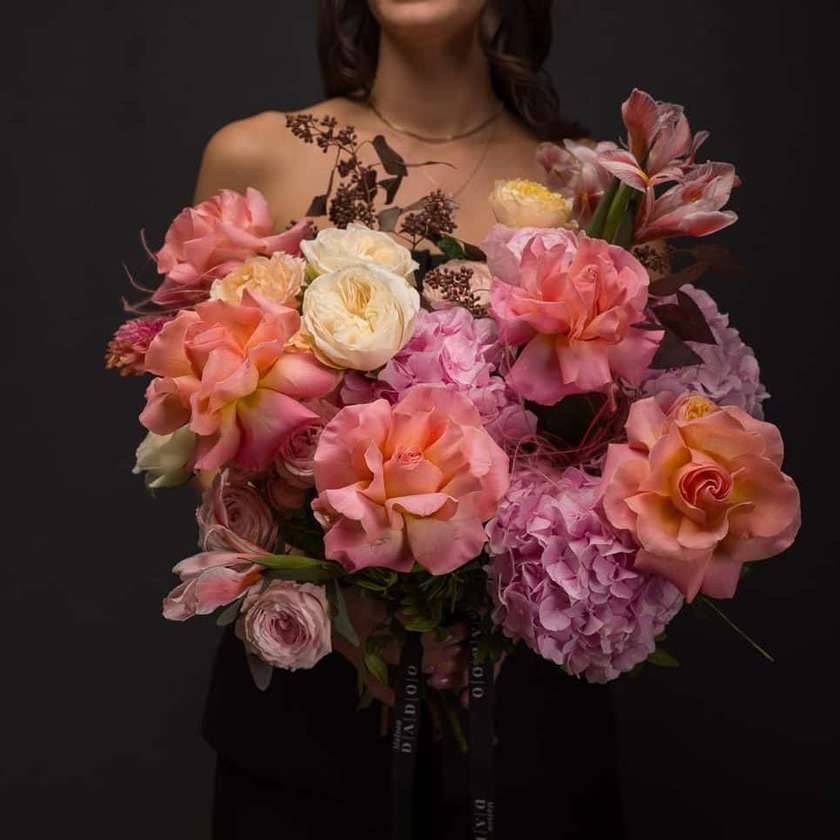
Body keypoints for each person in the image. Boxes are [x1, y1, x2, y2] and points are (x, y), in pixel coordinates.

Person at [195, 2, 624, 837]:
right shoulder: (255, 156)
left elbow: (613, 454)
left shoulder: (588, 189)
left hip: (526, 720)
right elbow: (210, 438)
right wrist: (354, 611)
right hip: (310, 714)